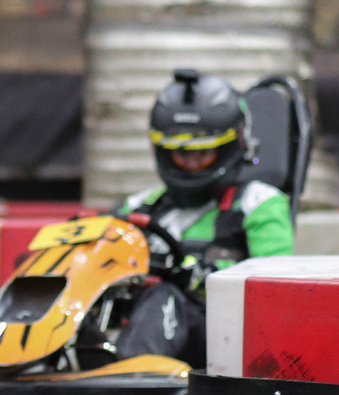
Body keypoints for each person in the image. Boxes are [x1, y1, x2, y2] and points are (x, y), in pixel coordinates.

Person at [113, 68, 294, 366]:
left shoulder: (259, 203)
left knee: (165, 297)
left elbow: (277, 291)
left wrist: (202, 276)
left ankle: (133, 380)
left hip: (223, 340)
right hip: (138, 325)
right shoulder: (140, 207)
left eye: (202, 154)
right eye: (182, 154)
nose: (191, 164)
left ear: (229, 146)